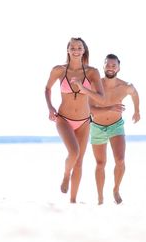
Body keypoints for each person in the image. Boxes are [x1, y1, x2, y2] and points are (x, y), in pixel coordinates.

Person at [45, 37, 105, 203]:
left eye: (79, 47)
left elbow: (101, 98)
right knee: (74, 152)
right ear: (68, 50)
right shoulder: (59, 70)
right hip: (63, 119)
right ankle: (65, 175)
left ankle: (72, 200)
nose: (76, 50)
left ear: (84, 50)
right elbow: (47, 88)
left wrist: (83, 88)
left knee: (79, 162)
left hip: (84, 121)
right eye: (73, 47)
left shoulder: (92, 72)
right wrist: (50, 107)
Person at [90, 53, 140, 205]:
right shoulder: (94, 85)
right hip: (97, 126)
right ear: (103, 66)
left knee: (120, 160)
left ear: (118, 67)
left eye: (114, 65)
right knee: (100, 164)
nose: (110, 68)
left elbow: (135, 93)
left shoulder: (125, 86)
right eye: (108, 64)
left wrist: (137, 110)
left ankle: (116, 189)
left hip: (116, 126)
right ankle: (100, 197)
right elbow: (90, 109)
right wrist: (110, 108)